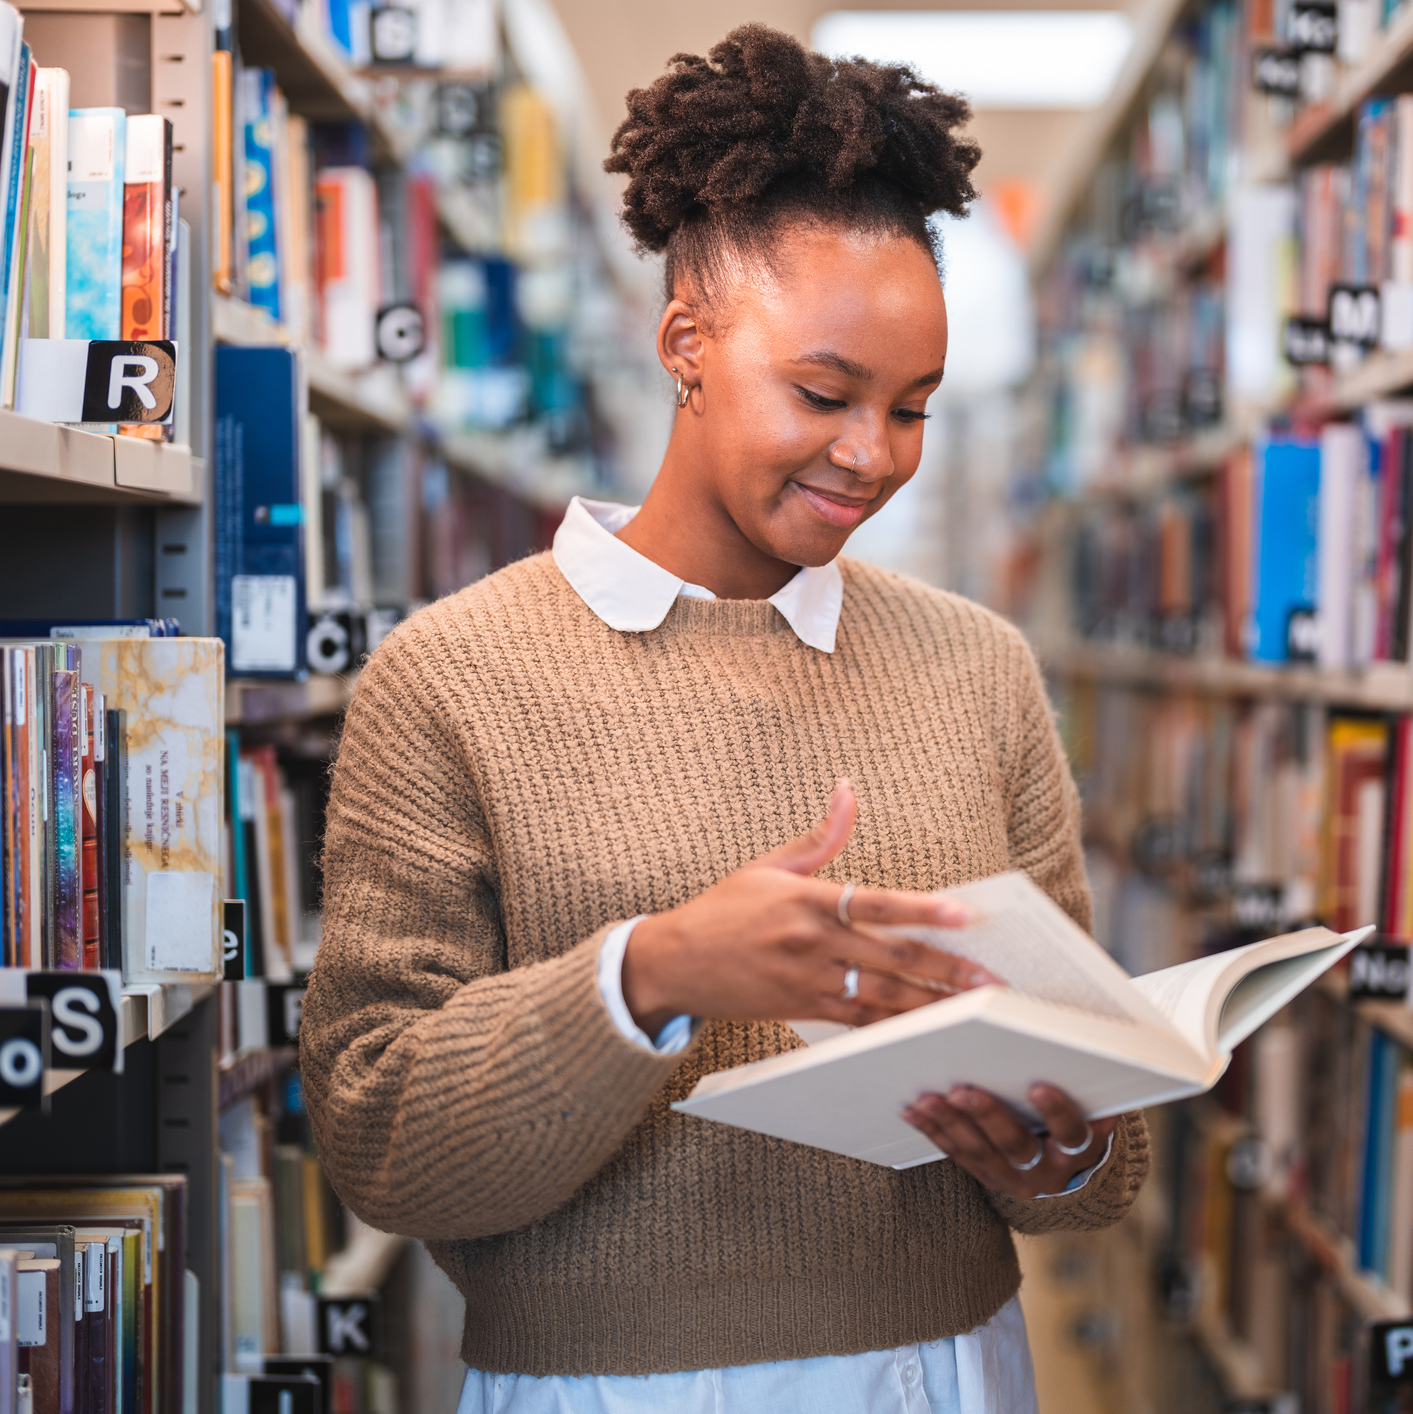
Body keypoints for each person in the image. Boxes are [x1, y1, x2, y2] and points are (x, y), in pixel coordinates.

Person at [300, 22, 1148, 1411]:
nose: (869, 454)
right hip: (600, 1384)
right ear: (685, 341)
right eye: (822, 393)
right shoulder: (450, 674)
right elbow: (381, 1139)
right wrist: (651, 974)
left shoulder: (975, 668)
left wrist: (1047, 1149)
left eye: (912, 408)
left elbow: (1100, 1165)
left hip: (938, 1367)